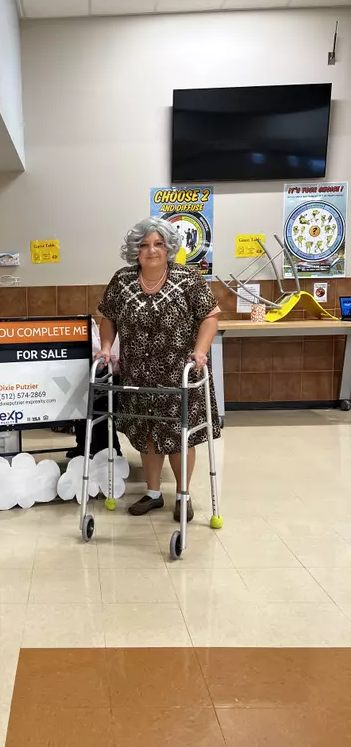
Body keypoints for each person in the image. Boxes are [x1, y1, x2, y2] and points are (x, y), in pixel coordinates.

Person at [96, 216, 221, 522]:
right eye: (144, 245)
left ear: (169, 249)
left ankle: (182, 494)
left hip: (180, 372)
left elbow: (210, 317)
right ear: (135, 251)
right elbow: (108, 317)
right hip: (138, 374)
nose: (152, 250)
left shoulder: (188, 279)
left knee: (180, 437)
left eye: (158, 244)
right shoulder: (122, 280)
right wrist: (105, 347)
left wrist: (200, 352)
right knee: (147, 435)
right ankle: (153, 494)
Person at [69, 319, 121, 458]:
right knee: (81, 404)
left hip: (111, 375)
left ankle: (110, 450)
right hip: (98, 372)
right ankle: (86, 446)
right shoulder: (95, 327)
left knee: (99, 407)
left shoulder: (113, 327)